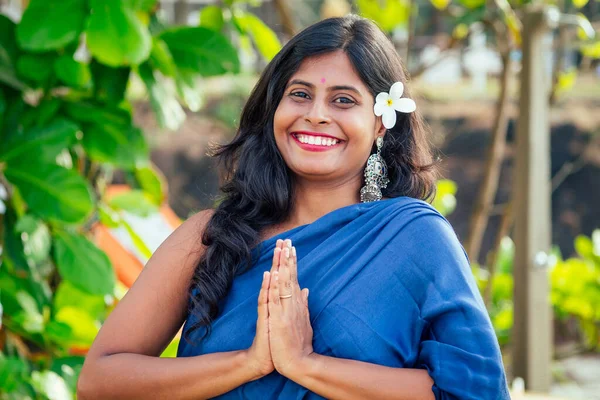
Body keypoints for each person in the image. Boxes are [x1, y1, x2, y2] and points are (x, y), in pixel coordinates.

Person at [78, 14, 510, 400]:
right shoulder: (210, 236)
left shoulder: (412, 239)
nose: (317, 115)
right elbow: (99, 381)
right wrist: (249, 362)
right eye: (300, 94)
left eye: (343, 100)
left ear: (381, 122)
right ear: (274, 109)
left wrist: (306, 364)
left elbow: (474, 392)